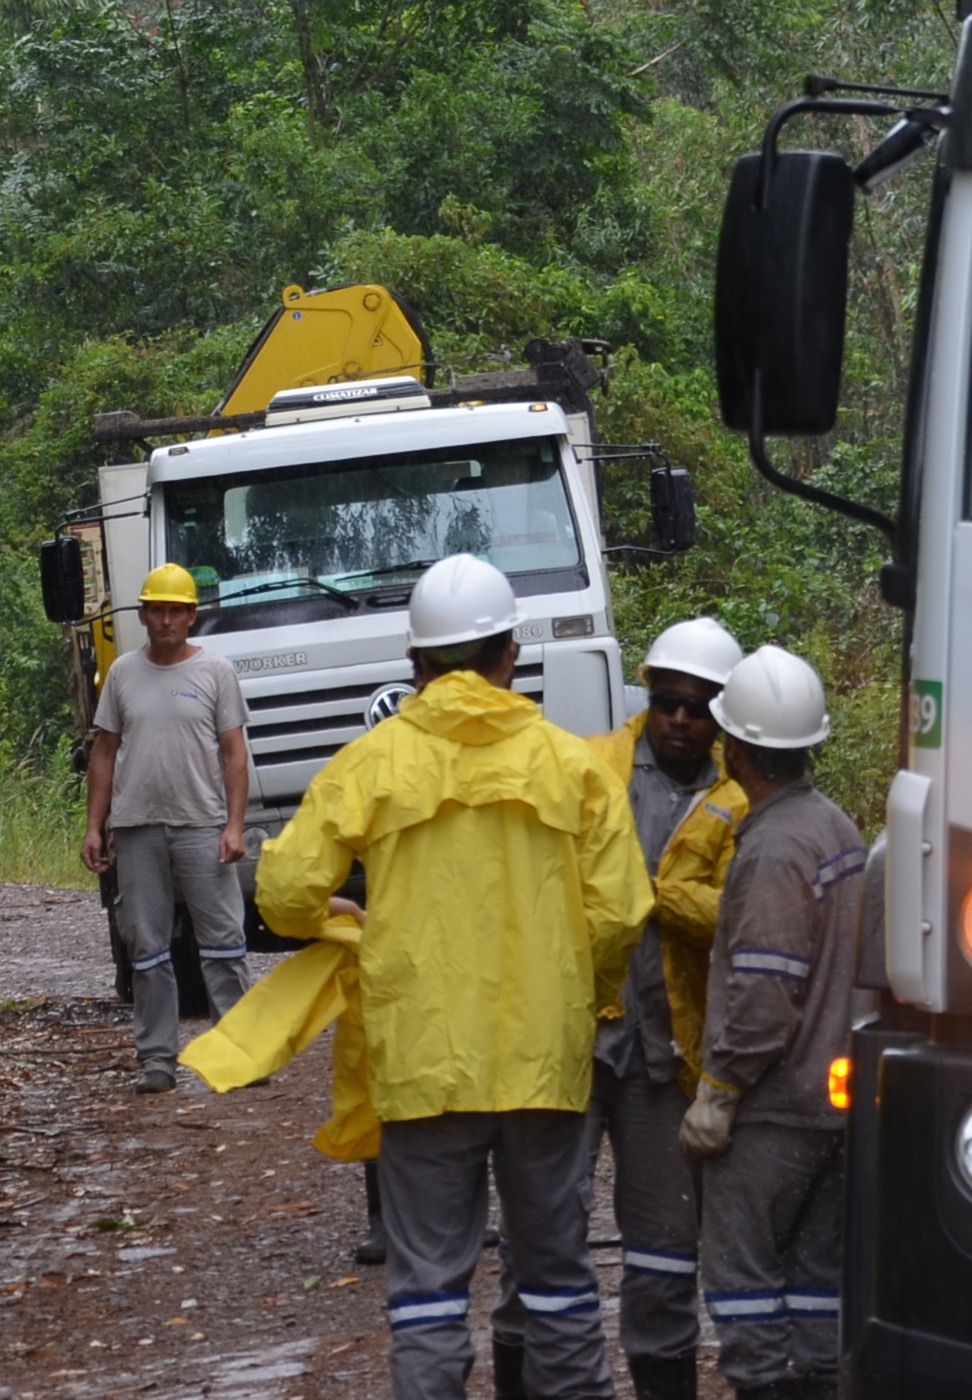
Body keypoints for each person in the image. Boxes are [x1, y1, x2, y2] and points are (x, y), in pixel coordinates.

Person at [256, 553, 652, 1400]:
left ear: (416, 666)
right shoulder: (572, 764)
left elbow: (284, 895)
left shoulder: (371, 763)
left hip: (423, 1065)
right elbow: (620, 914)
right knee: (558, 1281)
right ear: (512, 654)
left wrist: (342, 921)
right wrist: (579, 991)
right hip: (544, 1063)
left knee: (429, 1293)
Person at [499, 616, 748, 1400]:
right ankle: (519, 1376)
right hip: (571, 1041)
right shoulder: (589, 764)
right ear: (648, 693)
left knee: (666, 1250)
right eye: (668, 699)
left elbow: (738, 917)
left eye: (699, 706)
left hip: (665, 1058)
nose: (681, 717)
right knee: (538, 1237)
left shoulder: (741, 799)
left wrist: (649, 891)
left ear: (724, 716)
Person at [678, 644, 867, 1400]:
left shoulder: (772, 849)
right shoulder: (838, 828)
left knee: (744, 1281)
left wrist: (719, 1090)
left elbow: (763, 992)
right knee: (818, 1282)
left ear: (737, 748)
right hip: (835, 1102)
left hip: (775, 1109)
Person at [81, 560, 251, 1094]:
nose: (166, 620)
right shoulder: (124, 674)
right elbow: (104, 753)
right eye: (157, 610)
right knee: (148, 948)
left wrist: (235, 825)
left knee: (223, 943)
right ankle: (158, 1060)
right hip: (136, 828)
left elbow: (234, 753)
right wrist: (94, 826)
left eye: (176, 611)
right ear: (144, 614)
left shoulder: (216, 672)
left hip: (201, 823)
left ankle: (241, 1053)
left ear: (192, 617)